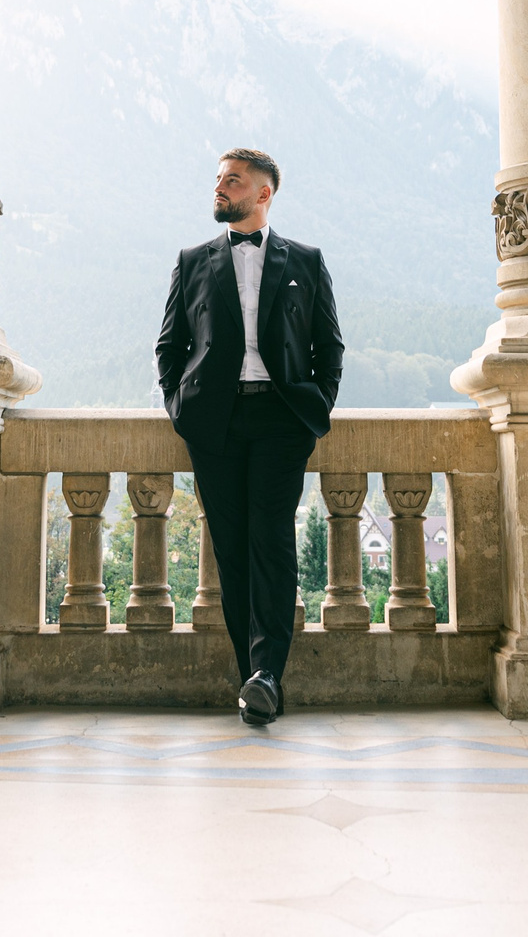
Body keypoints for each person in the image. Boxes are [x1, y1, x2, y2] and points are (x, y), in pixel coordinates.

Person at [156, 148, 344, 726]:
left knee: (272, 543)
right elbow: (170, 346)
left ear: (262, 194)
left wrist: (315, 408)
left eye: (232, 181)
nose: (220, 188)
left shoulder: (306, 261)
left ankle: (266, 674)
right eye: (218, 179)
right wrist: (181, 409)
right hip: (214, 422)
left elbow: (328, 347)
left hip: (281, 420)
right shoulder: (191, 261)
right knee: (233, 552)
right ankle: (255, 679)